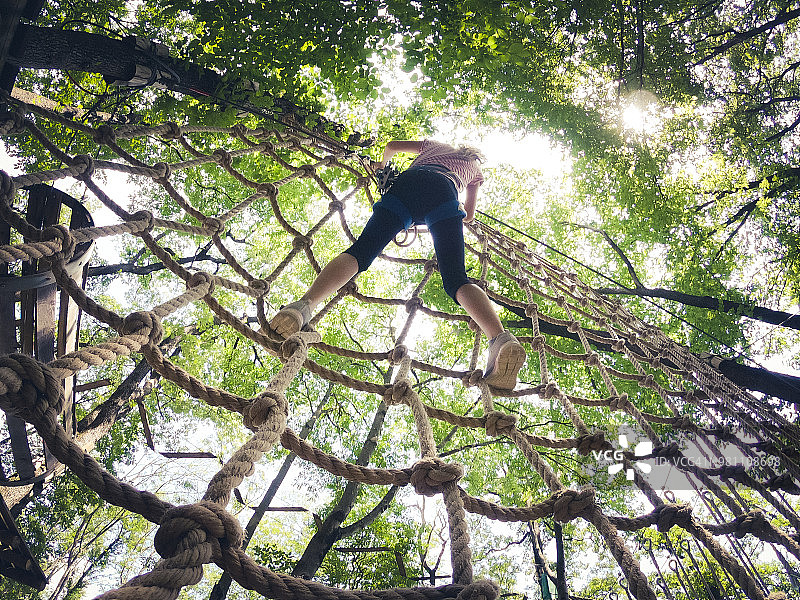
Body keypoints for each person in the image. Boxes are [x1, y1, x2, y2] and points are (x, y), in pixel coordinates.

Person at [270, 139, 525, 390]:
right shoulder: (475, 170)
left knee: (361, 252)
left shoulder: (435, 145)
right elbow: (468, 215)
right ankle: (500, 340)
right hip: (445, 192)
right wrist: (442, 211)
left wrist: (382, 165)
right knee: (456, 278)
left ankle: (302, 307)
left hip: (407, 184)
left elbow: (392, 145)